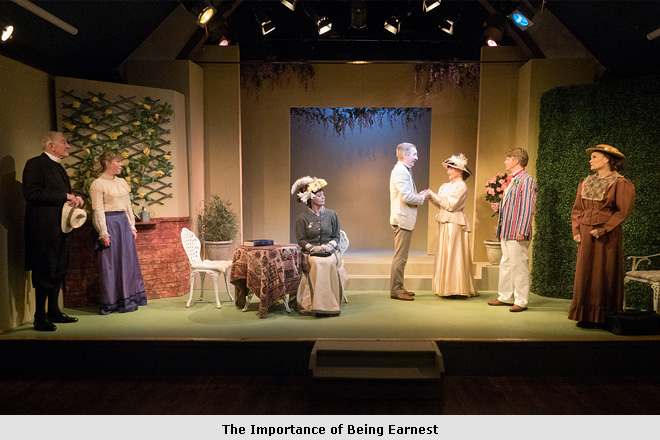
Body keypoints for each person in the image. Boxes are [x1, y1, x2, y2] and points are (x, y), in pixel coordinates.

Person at [23, 131, 84, 331]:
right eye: (64, 142)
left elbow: (59, 195)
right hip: (44, 230)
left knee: (58, 269)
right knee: (44, 270)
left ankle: (54, 311)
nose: (68, 146)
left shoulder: (58, 167)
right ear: (51, 146)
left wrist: (73, 199)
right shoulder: (35, 164)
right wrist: (65, 196)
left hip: (61, 228)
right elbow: (32, 193)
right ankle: (40, 316)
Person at [569, 144, 635, 328]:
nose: (590, 160)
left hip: (606, 236)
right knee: (585, 272)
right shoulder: (586, 181)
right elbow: (577, 209)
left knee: (603, 272)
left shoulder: (619, 183)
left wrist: (604, 229)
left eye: (594, 157)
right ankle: (586, 315)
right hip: (586, 234)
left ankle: (604, 316)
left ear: (607, 159)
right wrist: (576, 230)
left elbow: (622, 212)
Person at [89, 150, 147, 314]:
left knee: (127, 263)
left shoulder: (121, 182)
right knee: (111, 264)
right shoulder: (98, 184)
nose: (121, 164)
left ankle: (128, 299)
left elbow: (128, 206)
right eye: (118, 161)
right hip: (110, 224)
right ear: (108, 163)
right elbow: (98, 210)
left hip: (123, 224)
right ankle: (112, 302)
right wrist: (103, 232)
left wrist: (132, 226)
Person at [488, 147, 536, 312]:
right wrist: (500, 207)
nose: (505, 162)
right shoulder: (512, 179)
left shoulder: (526, 180)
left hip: (517, 231)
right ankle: (505, 296)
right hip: (507, 229)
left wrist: (522, 230)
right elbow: (514, 204)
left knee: (519, 265)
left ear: (516, 161)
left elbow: (527, 207)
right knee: (506, 263)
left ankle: (521, 300)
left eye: (508, 159)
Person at [292, 176, 348, 316]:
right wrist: (313, 248)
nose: (323, 197)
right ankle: (318, 306)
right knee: (318, 263)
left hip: (330, 252)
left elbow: (336, 236)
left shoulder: (332, 215)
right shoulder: (302, 218)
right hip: (310, 254)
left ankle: (330, 305)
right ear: (311, 199)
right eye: (319, 195)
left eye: (323, 194)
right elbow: (301, 240)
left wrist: (329, 247)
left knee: (328, 261)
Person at [429, 153, 478, 297]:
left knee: (453, 253)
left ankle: (456, 288)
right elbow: (442, 205)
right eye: (448, 168)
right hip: (444, 221)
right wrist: (431, 197)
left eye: (451, 168)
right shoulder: (445, 186)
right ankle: (445, 288)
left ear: (460, 171)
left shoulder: (461, 186)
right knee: (444, 252)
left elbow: (451, 205)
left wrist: (433, 195)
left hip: (454, 223)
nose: (448, 171)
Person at [389, 142, 431, 301]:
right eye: (414, 154)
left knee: (402, 257)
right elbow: (406, 197)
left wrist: (418, 195)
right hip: (402, 220)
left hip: (403, 218)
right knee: (400, 257)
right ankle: (396, 290)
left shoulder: (403, 170)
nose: (416, 158)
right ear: (405, 155)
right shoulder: (401, 171)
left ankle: (399, 287)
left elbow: (406, 195)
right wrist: (423, 197)